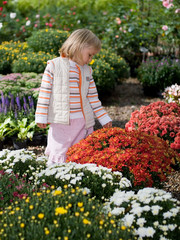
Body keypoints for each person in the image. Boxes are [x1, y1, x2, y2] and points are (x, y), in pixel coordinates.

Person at [35, 28, 112, 165]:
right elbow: (44, 92)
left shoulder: (87, 71)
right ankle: (53, 179)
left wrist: (104, 118)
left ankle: (77, 182)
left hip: (83, 123)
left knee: (80, 154)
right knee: (59, 153)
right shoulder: (54, 66)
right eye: (90, 54)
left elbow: (93, 98)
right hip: (61, 123)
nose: (90, 59)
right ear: (79, 45)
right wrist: (41, 116)